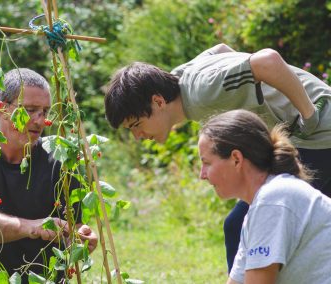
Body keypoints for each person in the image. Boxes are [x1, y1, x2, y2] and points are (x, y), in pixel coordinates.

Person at [104, 43, 331, 271]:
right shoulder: (180, 80)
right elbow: (221, 50)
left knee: (240, 224)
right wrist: (244, 89)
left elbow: (268, 61)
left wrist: (309, 115)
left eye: (136, 125)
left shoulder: (203, 92)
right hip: (306, 138)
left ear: (159, 102)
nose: (137, 136)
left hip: (319, 133)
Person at [0, 68, 98, 283]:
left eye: (45, 112)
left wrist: (80, 241)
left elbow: (69, 232)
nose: (40, 120)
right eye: (30, 109)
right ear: (2, 110)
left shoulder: (60, 161)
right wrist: (31, 227)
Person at [198, 109, 331, 284]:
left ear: (236, 159)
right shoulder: (261, 205)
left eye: (207, 163)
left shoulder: (273, 200)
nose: (202, 174)